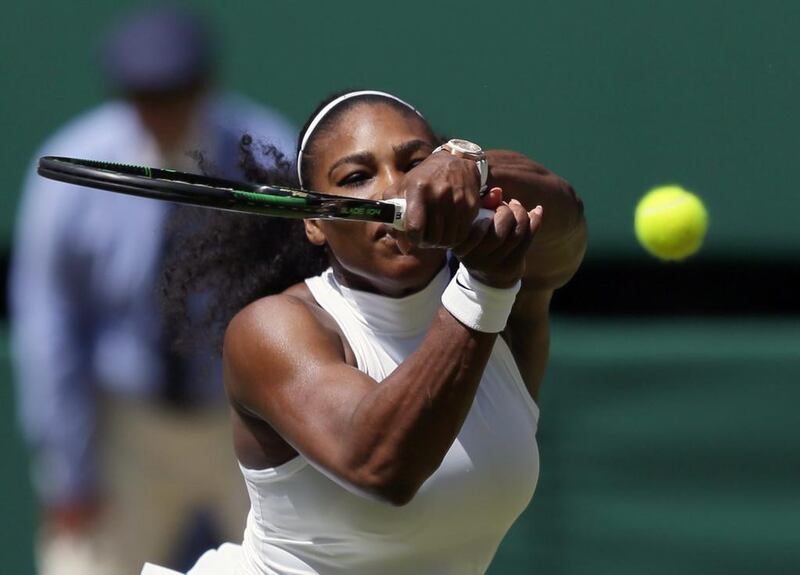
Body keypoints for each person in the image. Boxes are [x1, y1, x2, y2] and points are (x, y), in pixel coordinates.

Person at [146, 89, 587, 574]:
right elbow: (382, 467)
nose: (396, 189)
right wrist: (484, 290)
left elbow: (566, 219)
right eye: (357, 177)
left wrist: (471, 164)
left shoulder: (510, 302)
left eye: (415, 164)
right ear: (314, 222)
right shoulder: (273, 329)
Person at [9, 6, 296, 575]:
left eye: (175, 93)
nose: (160, 111)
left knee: (296, 562)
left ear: (205, 85)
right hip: (127, 422)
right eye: (145, 94)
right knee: (80, 564)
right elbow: (48, 329)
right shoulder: (73, 171)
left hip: (241, 414)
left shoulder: (265, 156)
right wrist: (69, 471)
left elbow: (306, 293)